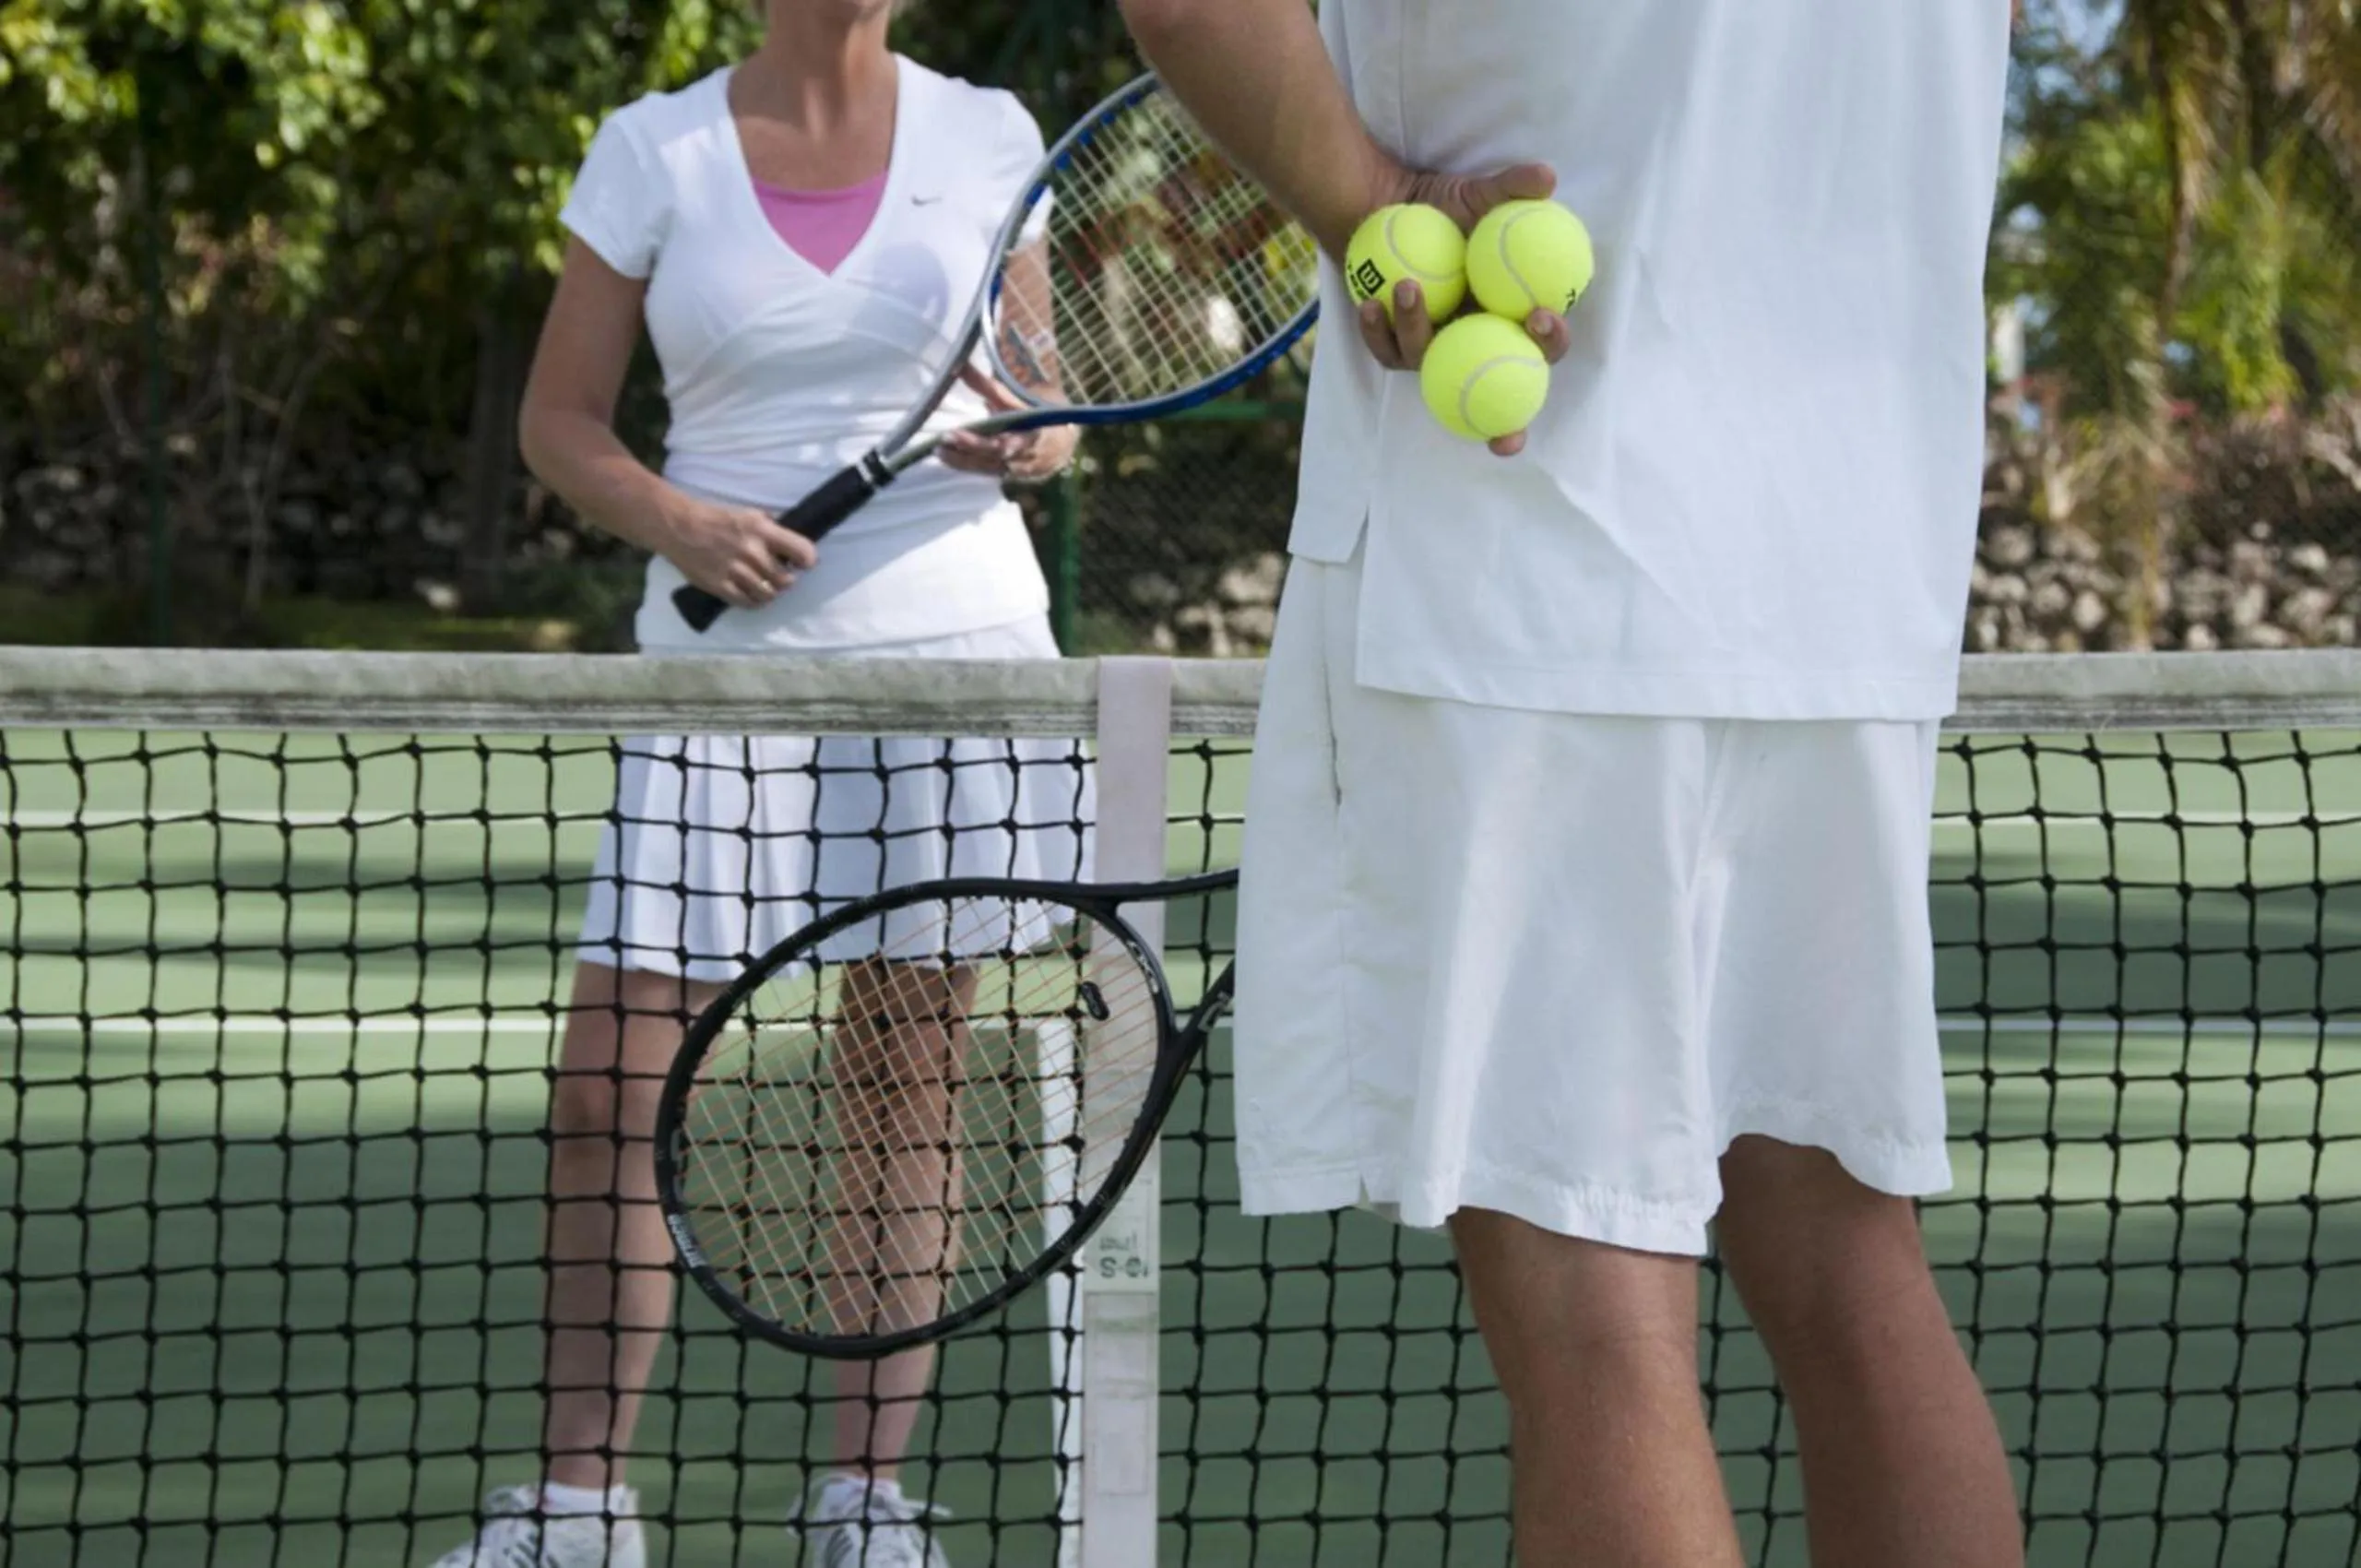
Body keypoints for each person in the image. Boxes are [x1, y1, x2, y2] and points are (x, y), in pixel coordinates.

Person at [1118, 2, 2027, 1565]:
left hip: (1516, 575)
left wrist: (1369, 212)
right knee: (1857, 1271)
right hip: (1846, 580)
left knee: (1599, 1320)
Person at [430, 3, 1086, 1564]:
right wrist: (679, 522)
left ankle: (868, 1504)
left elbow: (1045, 390)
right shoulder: (649, 149)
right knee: (610, 1087)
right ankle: (578, 1510)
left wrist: (1033, 439)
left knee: (905, 1076)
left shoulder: (989, 135)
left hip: (957, 652)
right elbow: (559, 421)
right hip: (723, 672)